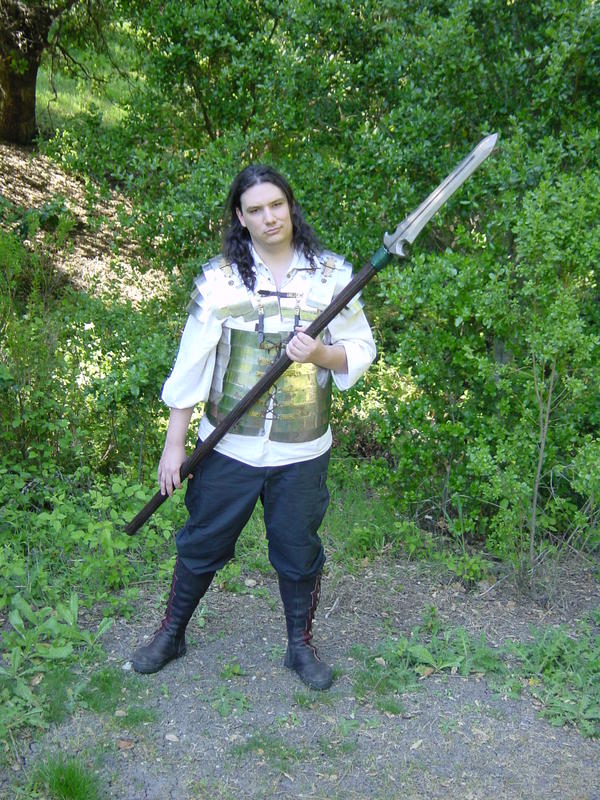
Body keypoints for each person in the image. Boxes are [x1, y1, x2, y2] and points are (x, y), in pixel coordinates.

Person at [132, 164, 376, 690]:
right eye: (256, 210)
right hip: (229, 447)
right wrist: (174, 445)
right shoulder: (220, 280)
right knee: (202, 540)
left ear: (291, 206)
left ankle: (299, 646)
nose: (270, 218)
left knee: (297, 549)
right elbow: (192, 366)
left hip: (302, 449)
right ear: (240, 218)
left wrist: (322, 354)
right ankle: (172, 633)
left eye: (277, 205)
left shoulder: (332, 276)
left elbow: (361, 348)